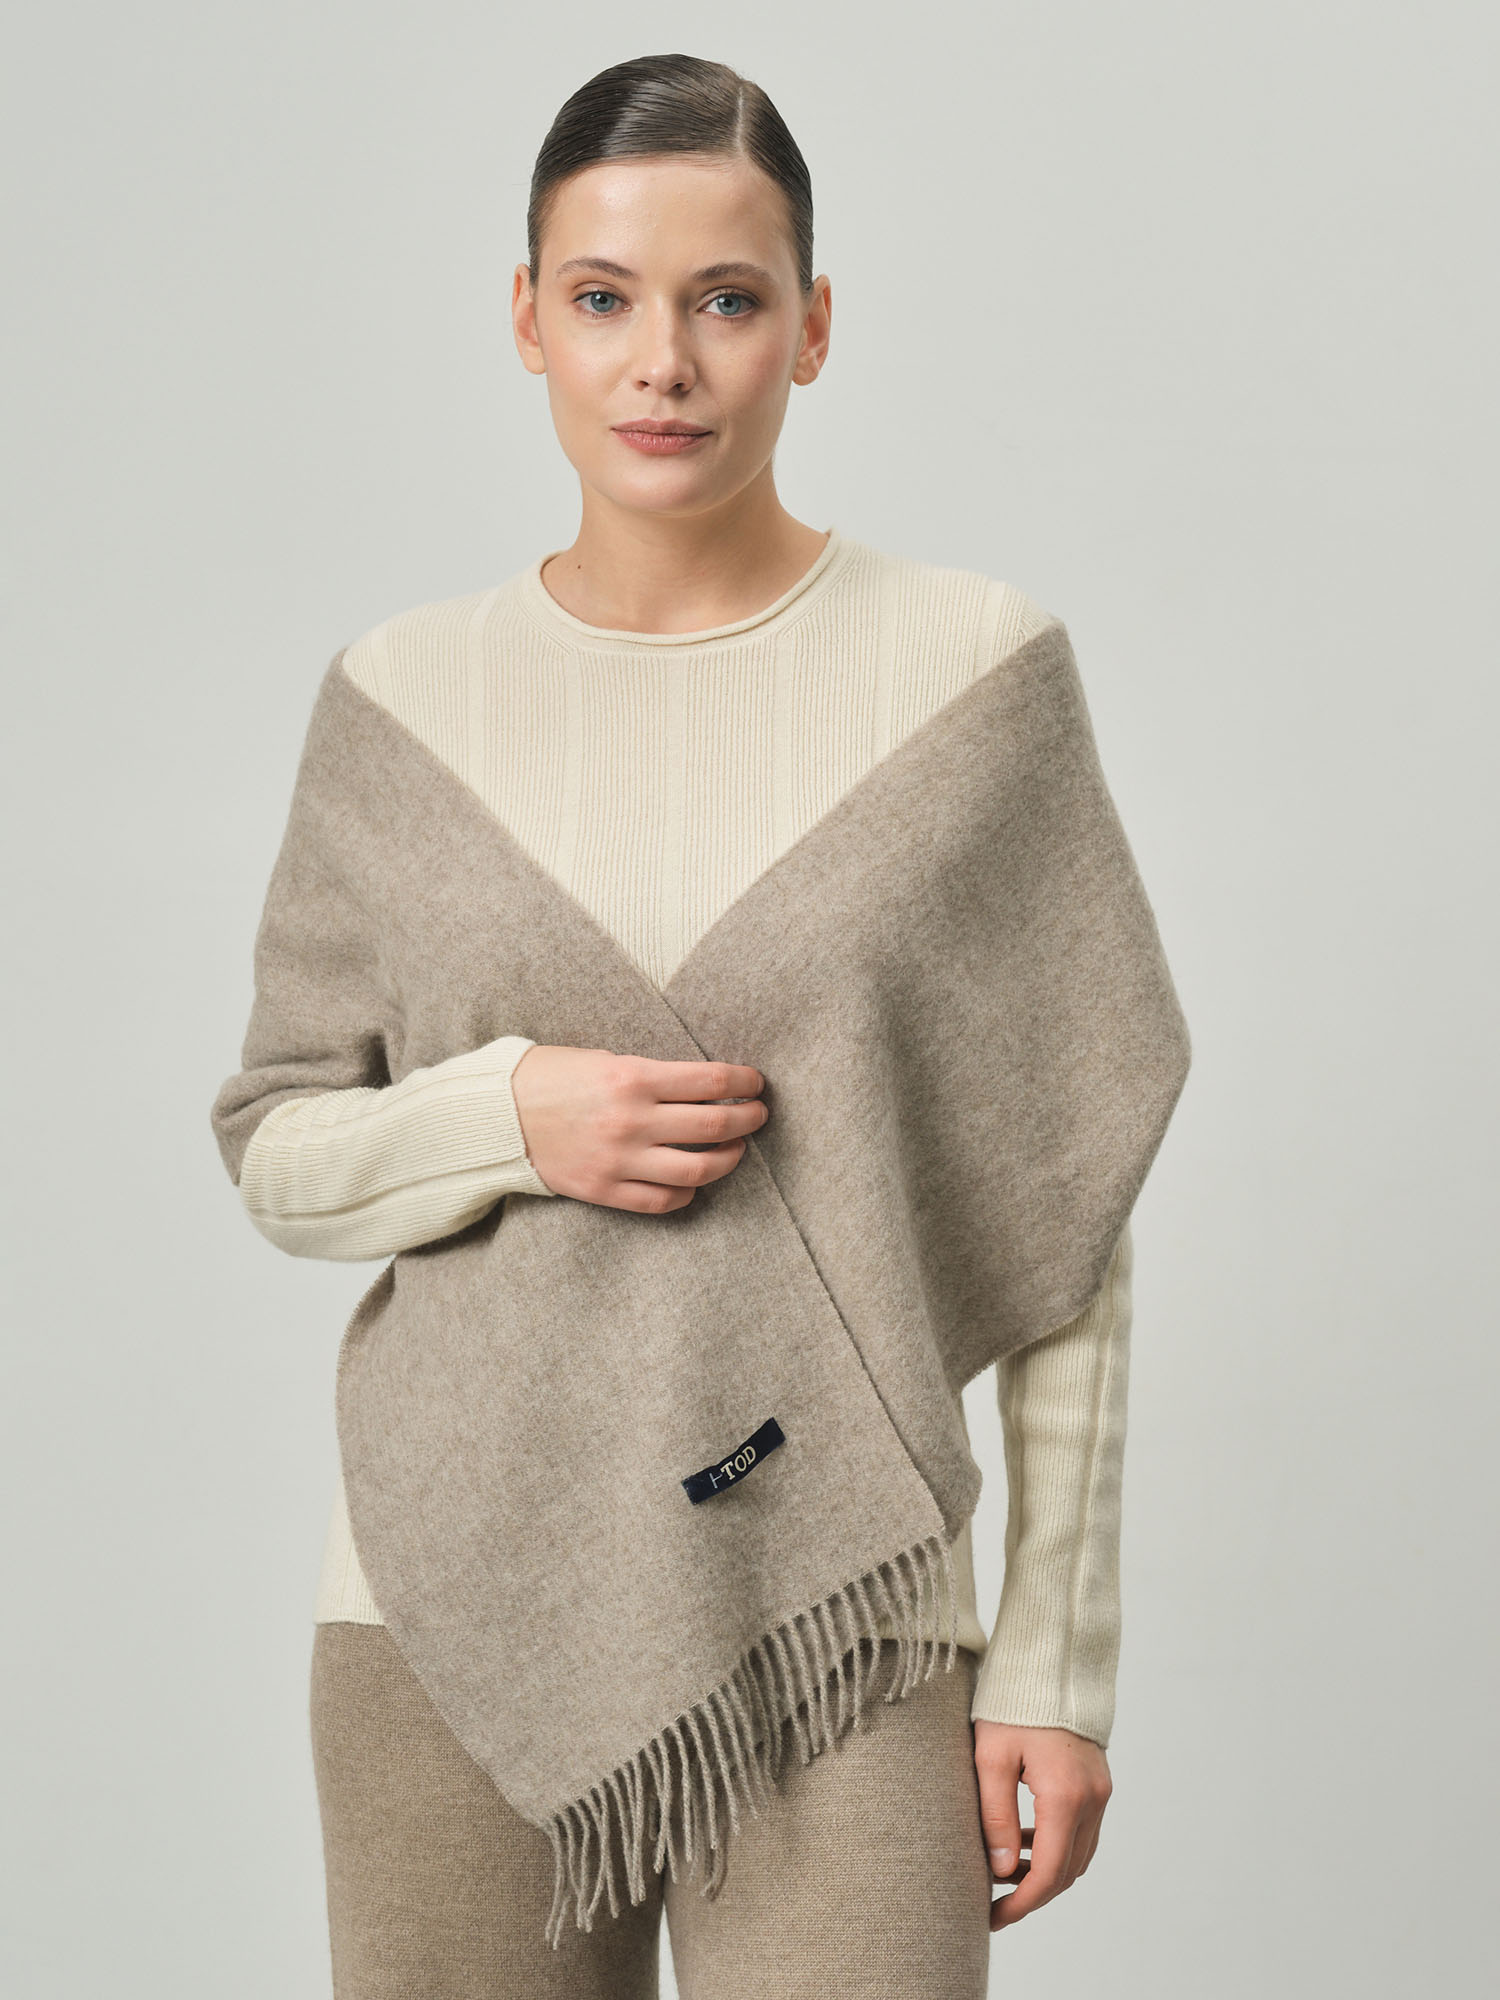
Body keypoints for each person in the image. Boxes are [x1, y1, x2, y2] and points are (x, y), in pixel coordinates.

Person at [214, 52, 1150, 2000]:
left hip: (848, 1601)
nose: (663, 362)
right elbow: (280, 1149)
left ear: (814, 327)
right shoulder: (402, 700)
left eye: (727, 298)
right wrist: (510, 1115)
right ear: (527, 320)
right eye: (604, 297)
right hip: (448, 1600)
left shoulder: (971, 679)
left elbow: (1070, 1200)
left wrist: (1053, 1665)